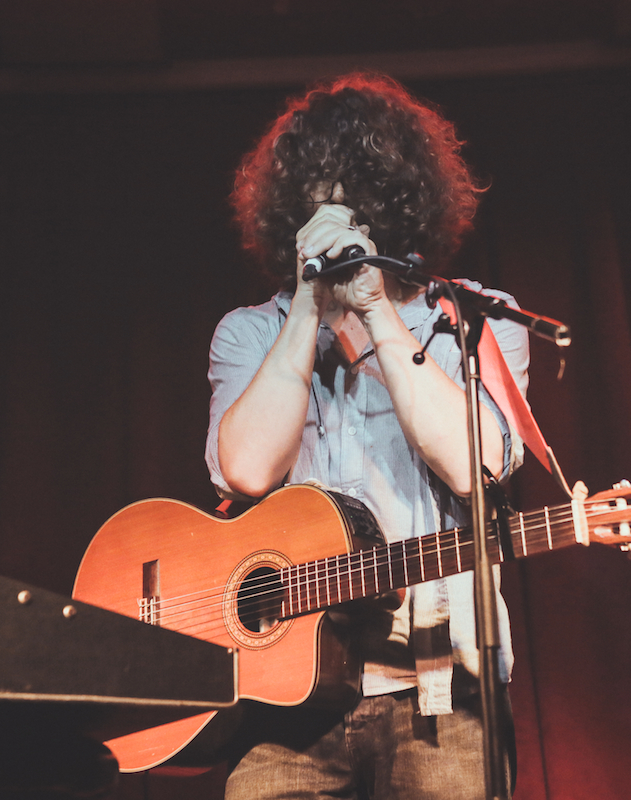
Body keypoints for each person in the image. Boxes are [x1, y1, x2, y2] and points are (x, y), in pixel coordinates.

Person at [205, 73, 529, 800]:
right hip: (287, 700)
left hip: (443, 689)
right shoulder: (250, 332)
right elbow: (248, 470)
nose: (334, 211)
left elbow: (475, 463)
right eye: (317, 192)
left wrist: (378, 311)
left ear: (395, 201)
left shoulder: (473, 321)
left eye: (356, 189)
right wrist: (305, 317)